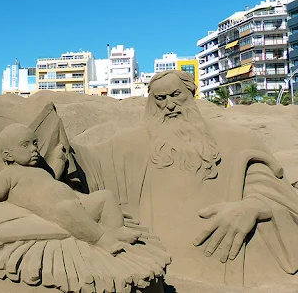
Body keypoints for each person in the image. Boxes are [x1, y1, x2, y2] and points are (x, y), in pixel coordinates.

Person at [84, 70, 298, 287]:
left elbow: (276, 191)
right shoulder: (128, 144)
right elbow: (85, 164)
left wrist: (252, 207)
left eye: (176, 95)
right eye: (160, 99)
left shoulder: (238, 139)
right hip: (158, 267)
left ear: (191, 92)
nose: (169, 105)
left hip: (224, 264)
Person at [0, 124, 140, 255]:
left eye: (35, 144)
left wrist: (59, 158)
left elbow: (53, 175)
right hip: (61, 212)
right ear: (8, 155)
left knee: (105, 196)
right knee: (68, 207)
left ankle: (116, 229)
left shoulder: (39, 170)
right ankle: (101, 239)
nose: (34, 149)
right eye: (25, 145)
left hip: (79, 203)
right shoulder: (9, 174)